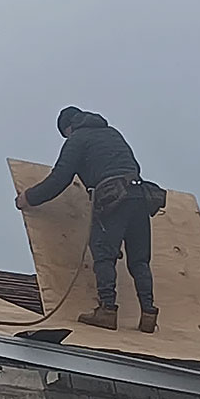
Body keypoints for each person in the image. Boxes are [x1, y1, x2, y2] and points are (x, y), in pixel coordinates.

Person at [15, 106, 159, 332]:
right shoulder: (112, 133)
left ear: (68, 128)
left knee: (104, 254)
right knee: (139, 260)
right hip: (140, 195)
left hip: (114, 198)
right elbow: (132, 166)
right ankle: (149, 314)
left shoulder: (77, 139)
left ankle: (107, 310)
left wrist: (29, 198)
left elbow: (60, 178)